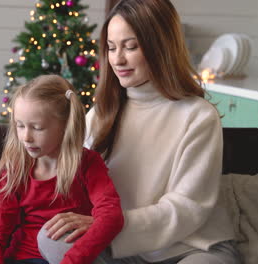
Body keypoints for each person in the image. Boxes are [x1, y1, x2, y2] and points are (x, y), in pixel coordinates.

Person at [38, 0, 241, 263]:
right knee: (51, 238)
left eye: (130, 47)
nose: (118, 59)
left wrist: (105, 227)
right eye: (111, 48)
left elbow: (188, 208)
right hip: (119, 244)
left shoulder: (198, 115)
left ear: (161, 47)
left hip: (190, 247)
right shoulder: (102, 113)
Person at [0, 74, 124, 264]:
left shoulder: (88, 164)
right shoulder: (15, 170)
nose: (26, 137)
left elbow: (111, 216)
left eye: (37, 128)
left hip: (54, 259)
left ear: (65, 126)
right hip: (15, 259)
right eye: (20, 126)